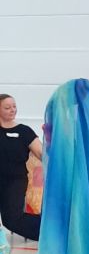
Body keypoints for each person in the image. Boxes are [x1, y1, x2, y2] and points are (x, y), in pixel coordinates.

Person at [0, 94, 42, 240]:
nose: (12, 110)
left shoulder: (24, 131)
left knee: (11, 219)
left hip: (15, 181)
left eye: (14, 107)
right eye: (7, 107)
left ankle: (50, 231)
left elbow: (41, 153)